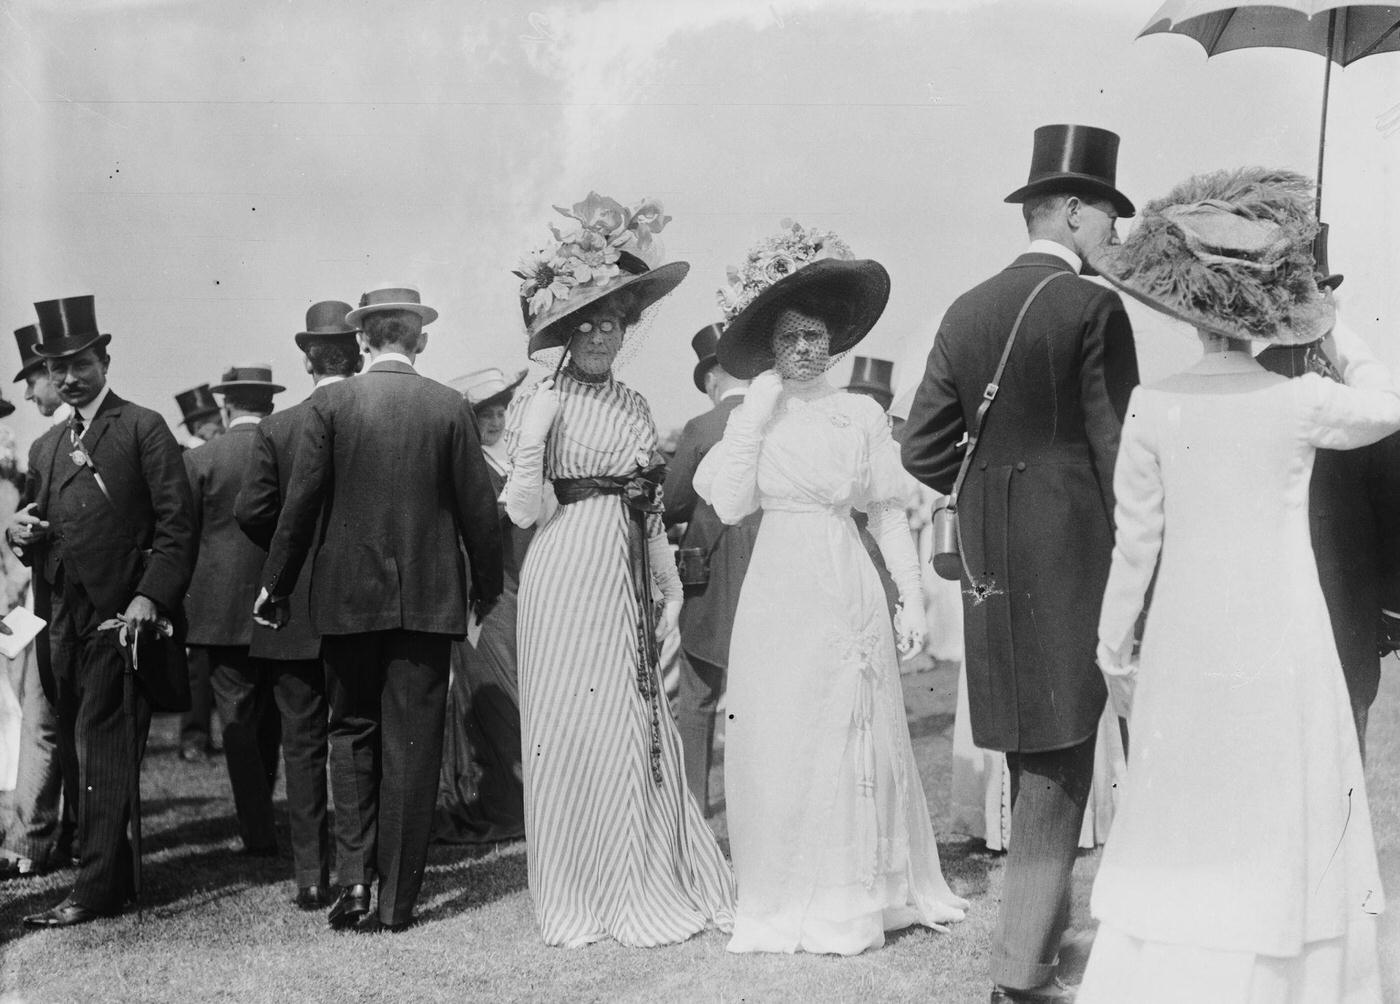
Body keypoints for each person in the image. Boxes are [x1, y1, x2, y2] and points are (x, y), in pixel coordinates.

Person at [1078, 167, 1394, 1004]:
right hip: (1281, 627)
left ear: (1183, 312)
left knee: (1192, 792)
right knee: (1279, 787)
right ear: (1264, 315)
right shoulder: (1298, 400)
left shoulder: (1153, 403)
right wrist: (1334, 325)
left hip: (1188, 629)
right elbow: (1389, 404)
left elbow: (1134, 546)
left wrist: (1114, 648)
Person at [900, 124, 1138, 1002]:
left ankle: (1048, 939)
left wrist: (995, 474)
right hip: (1074, 551)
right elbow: (1120, 455)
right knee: (1062, 754)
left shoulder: (966, 307)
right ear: (1073, 210)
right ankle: (1020, 972)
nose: (1113, 230)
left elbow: (923, 450)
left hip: (991, 555)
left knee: (1034, 751)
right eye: (1108, 213)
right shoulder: (1093, 308)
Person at [695, 220, 968, 956]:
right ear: (769, 349)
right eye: (790, 339)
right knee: (786, 727)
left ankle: (861, 892)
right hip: (781, 585)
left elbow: (884, 511)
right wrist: (752, 412)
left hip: (846, 576)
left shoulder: (861, 413)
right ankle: (789, 892)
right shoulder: (753, 418)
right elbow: (726, 503)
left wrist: (908, 594)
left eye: (817, 335)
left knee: (854, 725)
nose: (807, 350)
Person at [501, 192, 734, 948]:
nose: (603, 333)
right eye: (589, 322)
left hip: (623, 571)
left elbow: (644, 507)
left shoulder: (633, 404)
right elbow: (522, 512)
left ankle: (636, 874)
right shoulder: (541, 399)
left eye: (614, 321)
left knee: (631, 720)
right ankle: (579, 885)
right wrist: (534, 442)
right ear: (567, 331)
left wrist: (667, 587)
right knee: (573, 722)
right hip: (564, 565)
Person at [254, 285, 502, 933]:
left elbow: (299, 506)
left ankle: (355, 884)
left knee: (350, 731)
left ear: (363, 339)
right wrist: (488, 586)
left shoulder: (332, 405)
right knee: (414, 747)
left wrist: (274, 584)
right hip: (429, 602)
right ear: (419, 339)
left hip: (344, 601)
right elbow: (480, 513)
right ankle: (394, 905)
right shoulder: (450, 408)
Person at [8, 294, 196, 927]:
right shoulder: (45, 446)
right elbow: (36, 521)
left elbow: (178, 525)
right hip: (58, 617)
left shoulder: (142, 427)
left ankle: (92, 890)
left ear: (104, 359)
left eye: (80, 363)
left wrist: (150, 596)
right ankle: (105, 873)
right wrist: (17, 534)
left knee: (105, 746)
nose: (68, 377)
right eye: (56, 367)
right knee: (77, 746)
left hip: (121, 620)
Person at [1254, 229, 1400, 762]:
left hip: (1283, 615)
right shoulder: (1360, 392)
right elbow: (1391, 513)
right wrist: (1391, 613)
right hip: (1343, 611)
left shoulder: (1245, 379)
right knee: (1342, 774)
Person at [236, 300, 362, 909]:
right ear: (357, 352)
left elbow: (251, 512)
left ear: (307, 357)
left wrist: (294, 554)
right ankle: (360, 866)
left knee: (302, 742)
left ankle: (311, 875)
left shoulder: (278, 427)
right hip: (359, 604)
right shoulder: (370, 414)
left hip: (289, 606)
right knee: (358, 737)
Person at [184, 364, 286, 855]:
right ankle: (264, 816)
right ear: (268, 405)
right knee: (272, 720)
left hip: (219, 612)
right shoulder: (288, 453)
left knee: (239, 721)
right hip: (281, 604)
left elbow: (182, 535)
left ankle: (257, 828)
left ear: (226, 407)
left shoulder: (202, 458)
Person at [661, 322, 759, 815]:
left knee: (697, 695)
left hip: (710, 576)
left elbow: (674, 503)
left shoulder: (703, 427)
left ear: (715, 376)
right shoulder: (774, 418)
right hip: (767, 571)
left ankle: (692, 803)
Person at [433, 366, 530, 846]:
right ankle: (501, 799)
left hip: (511, 588)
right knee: (494, 689)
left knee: (506, 690)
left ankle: (510, 796)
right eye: (485, 414)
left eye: (500, 412)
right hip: (483, 596)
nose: (494, 421)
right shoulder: (465, 466)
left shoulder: (499, 462)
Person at [0, 323, 75, 881]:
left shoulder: (14, 478)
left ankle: (30, 835)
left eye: (32, 381)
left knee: (36, 721)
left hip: (24, 612)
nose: (29, 396)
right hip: (23, 610)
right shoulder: (29, 460)